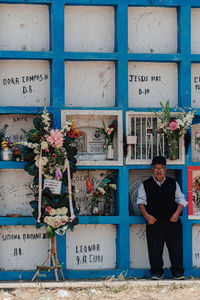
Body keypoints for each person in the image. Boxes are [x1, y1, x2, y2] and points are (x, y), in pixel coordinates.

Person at [137, 156, 187, 280]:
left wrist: (177, 214)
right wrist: (147, 216)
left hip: (172, 221)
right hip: (154, 222)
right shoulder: (145, 185)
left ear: (165, 169)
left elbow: (181, 200)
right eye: (156, 168)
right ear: (152, 169)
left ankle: (178, 273)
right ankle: (157, 273)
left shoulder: (173, 183)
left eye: (161, 168)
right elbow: (140, 202)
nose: (158, 171)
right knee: (154, 249)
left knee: (176, 249)